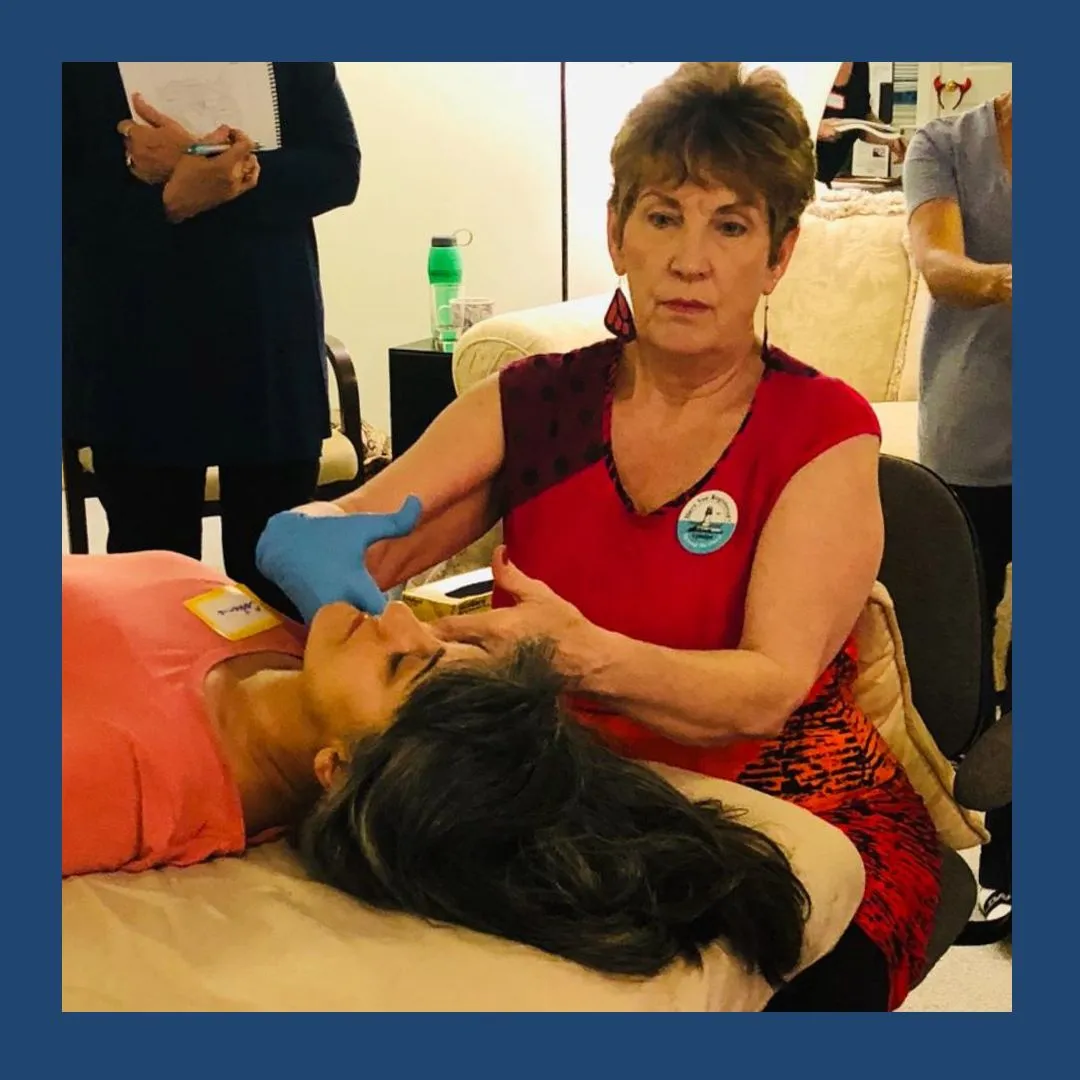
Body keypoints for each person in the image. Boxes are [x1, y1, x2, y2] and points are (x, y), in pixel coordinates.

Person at [257, 62, 942, 1012]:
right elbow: (354, 544)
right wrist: (315, 541)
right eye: (662, 217)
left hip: (804, 806)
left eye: (730, 226)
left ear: (779, 255)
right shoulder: (536, 400)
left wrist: (580, 657)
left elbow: (764, 694)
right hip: (558, 800)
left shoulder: (820, 428)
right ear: (617, 231)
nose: (689, 260)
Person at [62, 550, 814, 989]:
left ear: (341, 769)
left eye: (401, 664)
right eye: (431, 639)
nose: (395, 615)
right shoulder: (288, 645)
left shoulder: (119, 774)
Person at [62, 63, 360, 617]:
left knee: (280, 587)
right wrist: (165, 199)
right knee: (154, 598)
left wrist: (207, 168)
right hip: (133, 349)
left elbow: (339, 169)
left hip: (268, 342)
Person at [904, 92, 1012, 944]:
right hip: (969, 442)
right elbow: (941, 267)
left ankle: (1016, 868)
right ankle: (946, 857)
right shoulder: (943, 143)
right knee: (959, 676)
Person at [816, 62, 906, 187]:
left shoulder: (860, 65)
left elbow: (862, 115)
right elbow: (787, 118)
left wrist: (890, 137)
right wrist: (814, 128)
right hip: (794, 174)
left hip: (822, 180)